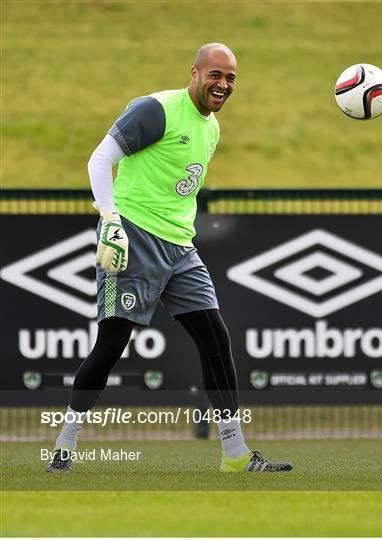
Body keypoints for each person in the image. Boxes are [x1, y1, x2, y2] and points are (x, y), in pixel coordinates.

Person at [46, 43, 292, 474]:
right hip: (134, 236)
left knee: (216, 339)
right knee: (111, 345)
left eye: (231, 78)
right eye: (215, 75)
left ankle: (235, 454)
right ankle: (65, 445)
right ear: (194, 74)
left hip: (180, 247)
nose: (223, 85)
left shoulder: (211, 127)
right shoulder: (156, 110)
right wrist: (110, 219)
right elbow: (100, 159)